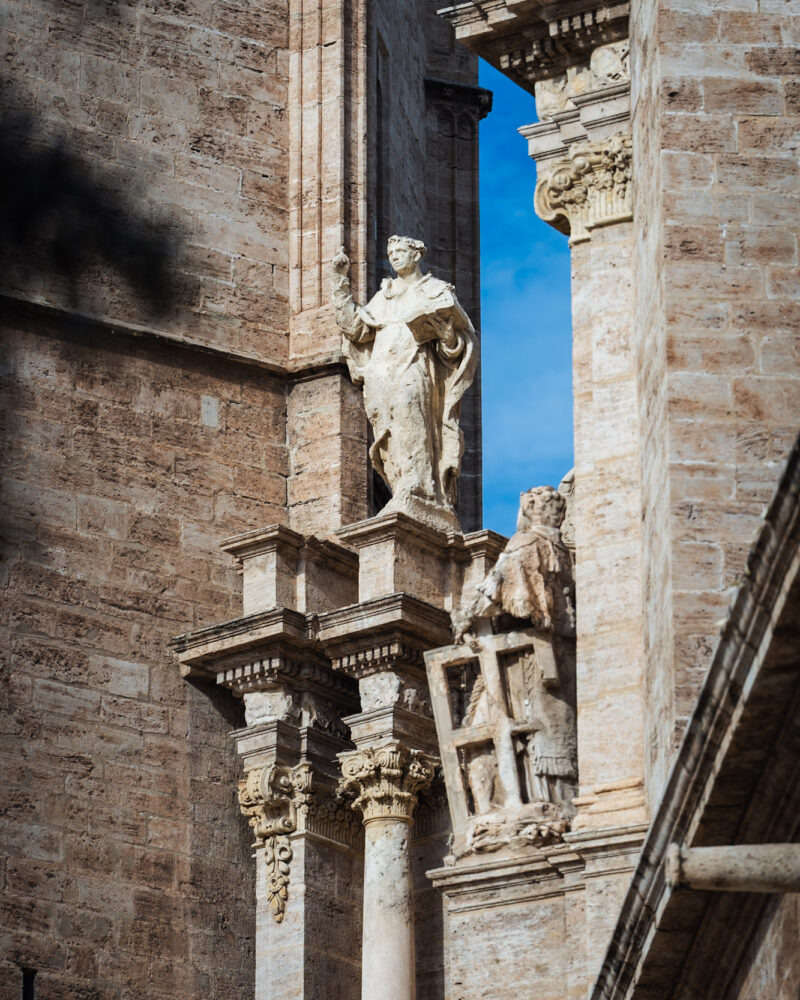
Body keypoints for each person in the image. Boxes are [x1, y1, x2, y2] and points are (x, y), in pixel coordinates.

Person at [331, 236, 478, 529]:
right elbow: (356, 328)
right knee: (390, 432)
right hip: (381, 374)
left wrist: (447, 337)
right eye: (391, 253)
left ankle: (420, 487)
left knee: (412, 415)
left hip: (415, 365)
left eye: (401, 252)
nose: (395, 257)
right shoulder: (385, 295)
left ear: (416, 255)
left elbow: (458, 345)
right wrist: (340, 284)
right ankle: (402, 484)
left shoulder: (435, 291)